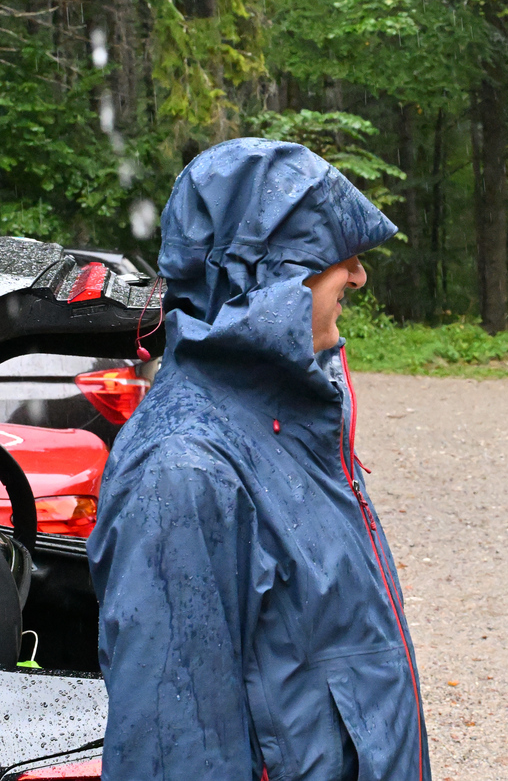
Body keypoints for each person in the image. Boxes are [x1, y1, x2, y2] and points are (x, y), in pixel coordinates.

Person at [88, 139, 430, 781]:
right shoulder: (185, 471)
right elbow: (173, 756)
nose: (358, 275)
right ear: (267, 274)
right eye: (338, 255)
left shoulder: (288, 427)